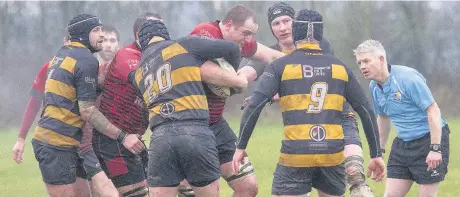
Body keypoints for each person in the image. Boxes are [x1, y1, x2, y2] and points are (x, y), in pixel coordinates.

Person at [233, 9, 386, 197]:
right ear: (320, 35)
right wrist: (376, 154)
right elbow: (365, 110)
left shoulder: (280, 66)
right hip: (332, 155)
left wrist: (240, 146)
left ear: (296, 33)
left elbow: (254, 105)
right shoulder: (340, 67)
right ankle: (357, 182)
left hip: (296, 154)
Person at [130, 19, 247, 197]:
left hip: (160, 139)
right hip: (195, 132)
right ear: (165, 35)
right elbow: (232, 48)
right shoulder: (183, 45)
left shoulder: (138, 72)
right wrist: (230, 74)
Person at [31, 14, 144, 197]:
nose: (102, 35)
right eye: (96, 30)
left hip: (63, 143)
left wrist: (101, 82)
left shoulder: (62, 54)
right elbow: (87, 111)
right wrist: (122, 136)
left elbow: (70, 92)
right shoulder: (86, 59)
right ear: (83, 34)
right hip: (56, 144)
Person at [188, 5, 289, 196]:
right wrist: (236, 81)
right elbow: (197, 66)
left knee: (248, 187)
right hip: (191, 127)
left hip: (216, 124)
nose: (249, 39)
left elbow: (272, 56)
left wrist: (306, 64)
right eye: (246, 33)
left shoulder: (241, 41)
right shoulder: (205, 33)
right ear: (228, 25)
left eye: (252, 34)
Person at [353, 39, 450, 197]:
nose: (362, 66)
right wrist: (379, 152)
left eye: (366, 61)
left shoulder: (407, 78)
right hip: (403, 145)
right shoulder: (374, 87)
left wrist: (435, 148)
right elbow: (383, 118)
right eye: (359, 63)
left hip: (428, 141)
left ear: (381, 59)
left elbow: (433, 111)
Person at [12, 31, 99, 197]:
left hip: (87, 143)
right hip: (60, 141)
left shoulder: (90, 66)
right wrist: (21, 138)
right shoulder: (52, 66)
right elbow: (34, 103)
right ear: (64, 42)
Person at [91, 12, 163, 197]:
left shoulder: (156, 55)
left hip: (133, 139)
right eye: (154, 28)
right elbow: (144, 83)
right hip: (112, 140)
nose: (160, 33)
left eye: (162, 27)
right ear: (139, 34)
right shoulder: (128, 55)